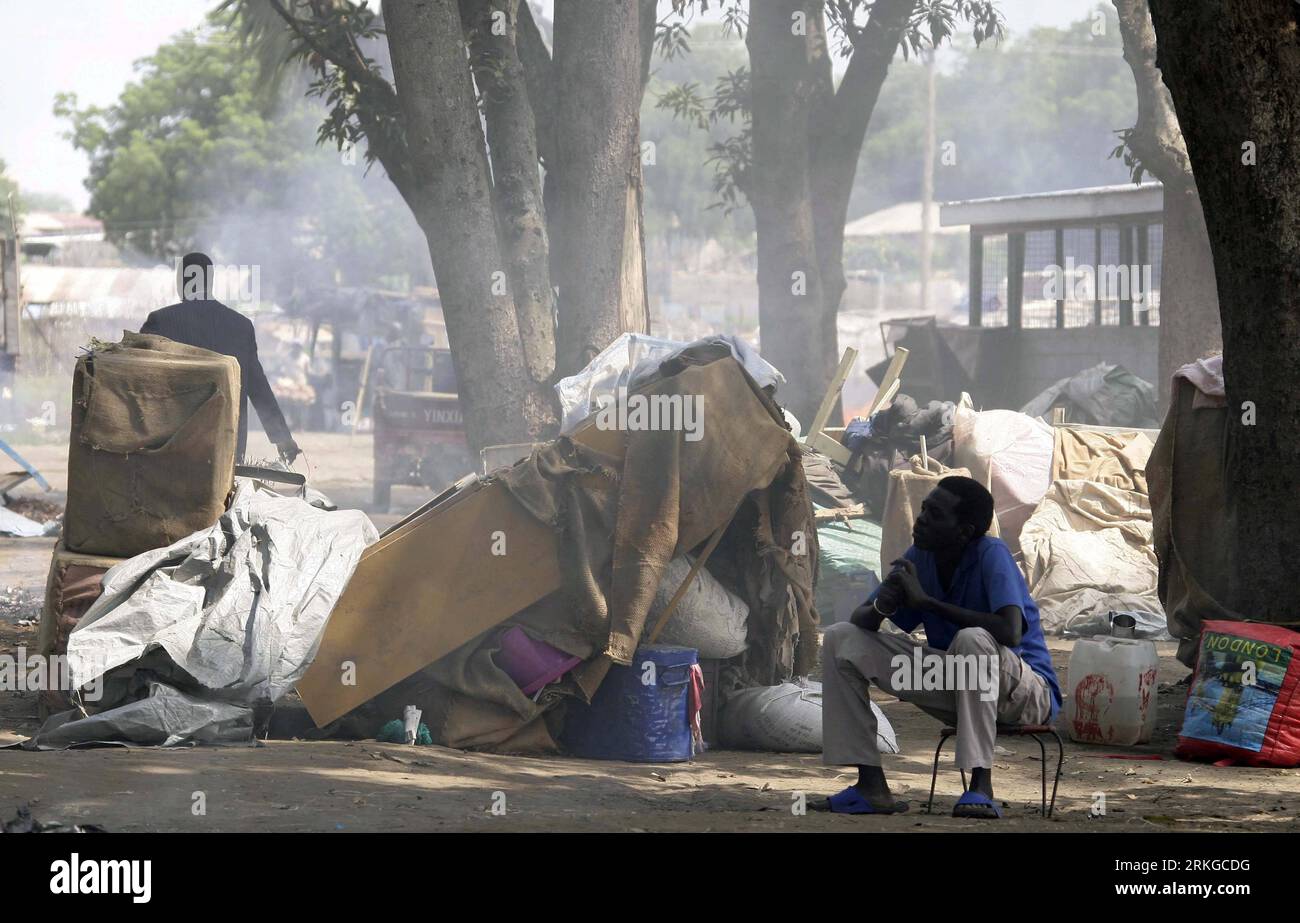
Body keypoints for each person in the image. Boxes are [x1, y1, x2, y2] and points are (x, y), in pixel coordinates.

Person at [815, 476, 1061, 819]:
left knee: (971, 638)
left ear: (964, 531)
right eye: (924, 509)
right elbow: (863, 621)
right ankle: (871, 786)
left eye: (935, 514)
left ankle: (980, 785)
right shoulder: (921, 556)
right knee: (841, 638)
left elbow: (1011, 631)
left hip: (1023, 695)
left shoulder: (992, 553)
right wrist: (882, 606)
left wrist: (927, 603)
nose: (922, 518)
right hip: (960, 683)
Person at [141, 252, 299, 463]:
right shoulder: (240, 326)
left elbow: (139, 379)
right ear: (210, 281)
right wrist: (282, 438)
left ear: (181, 283)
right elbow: (258, 387)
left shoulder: (160, 321)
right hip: (228, 445)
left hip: (172, 446)